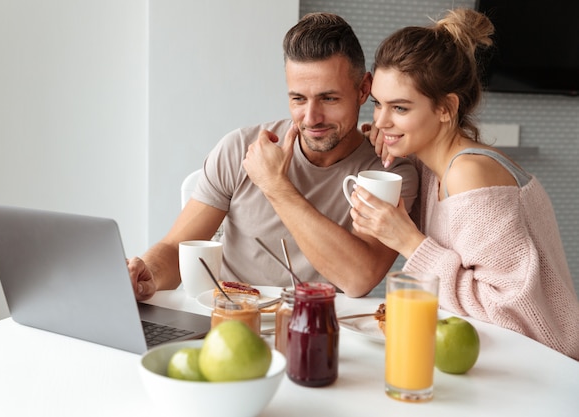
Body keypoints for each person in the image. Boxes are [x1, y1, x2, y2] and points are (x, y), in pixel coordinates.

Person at [128, 12, 418, 300]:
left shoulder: (389, 174)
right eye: (298, 99)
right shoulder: (241, 148)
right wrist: (148, 274)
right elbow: (176, 247)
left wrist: (275, 186)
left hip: (317, 332)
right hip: (231, 322)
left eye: (329, 98)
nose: (311, 117)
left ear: (363, 89)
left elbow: (358, 279)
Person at [350, 9, 579, 359]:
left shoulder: (469, 174)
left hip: (544, 365)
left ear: (446, 108)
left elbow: (510, 313)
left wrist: (409, 242)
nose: (381, 120)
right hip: (498, 359)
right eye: (378, 104)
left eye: (400, 108)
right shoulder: (433, 163)